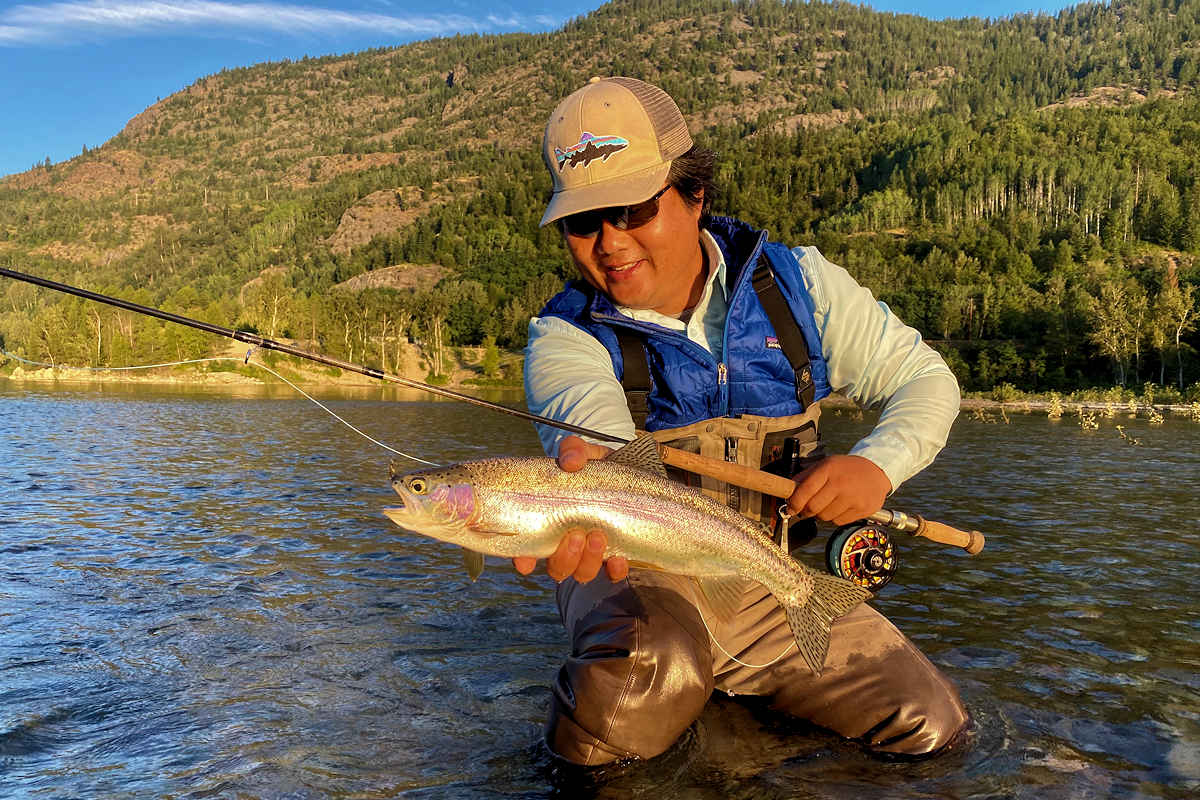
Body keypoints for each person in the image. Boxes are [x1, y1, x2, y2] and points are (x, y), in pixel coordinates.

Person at [516, 76, 968, 768]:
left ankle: (735, 750)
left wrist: (877, 466)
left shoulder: (801, 287)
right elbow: (596, 453)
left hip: (764, 574)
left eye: (633, 209)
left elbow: (926, 380)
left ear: (696, 194)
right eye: (584, 222)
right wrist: (587, 490)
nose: (609, 243)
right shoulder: (564, 337)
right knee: (654, 671)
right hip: (637, 569)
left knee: (931, 727)